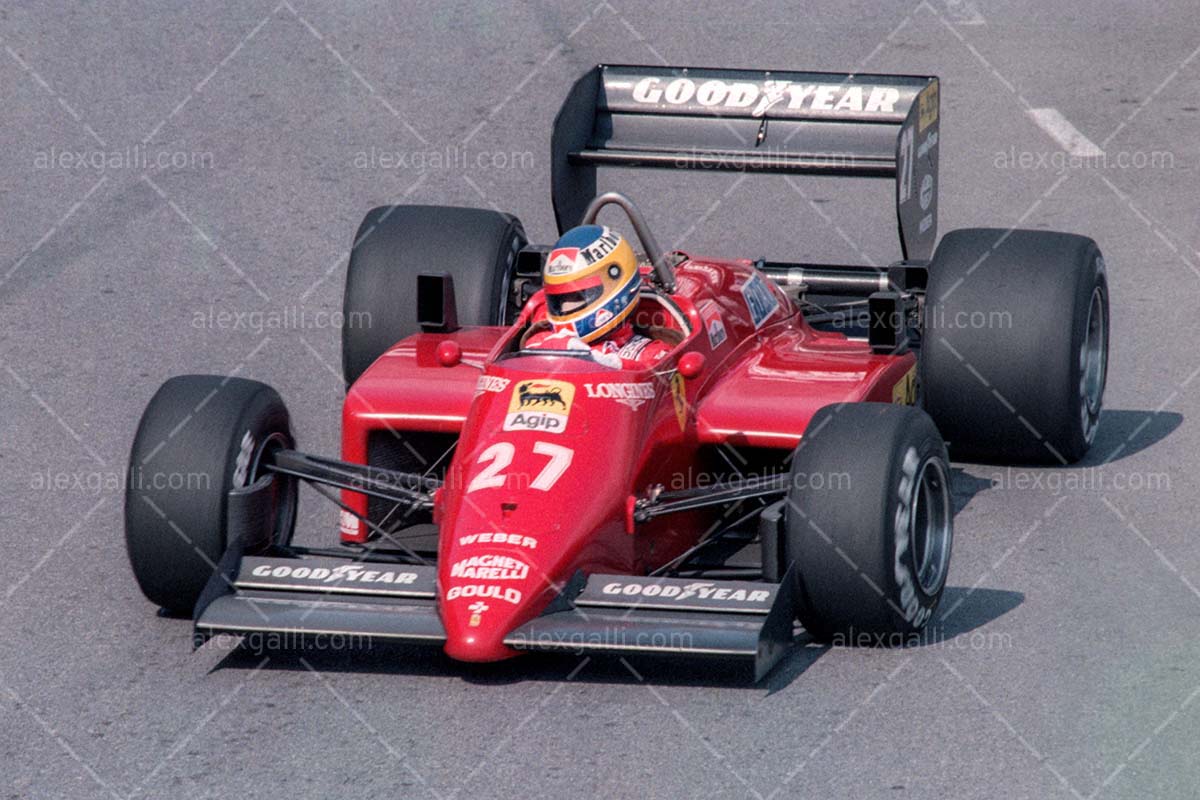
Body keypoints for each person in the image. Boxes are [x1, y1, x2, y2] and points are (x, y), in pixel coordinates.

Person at [524, 225, 671, 369]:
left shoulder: (648, 352)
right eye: (558, 300)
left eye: (576, 297)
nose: (565, 307)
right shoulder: (545, 337)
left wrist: (603, 363)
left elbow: (655, 371)